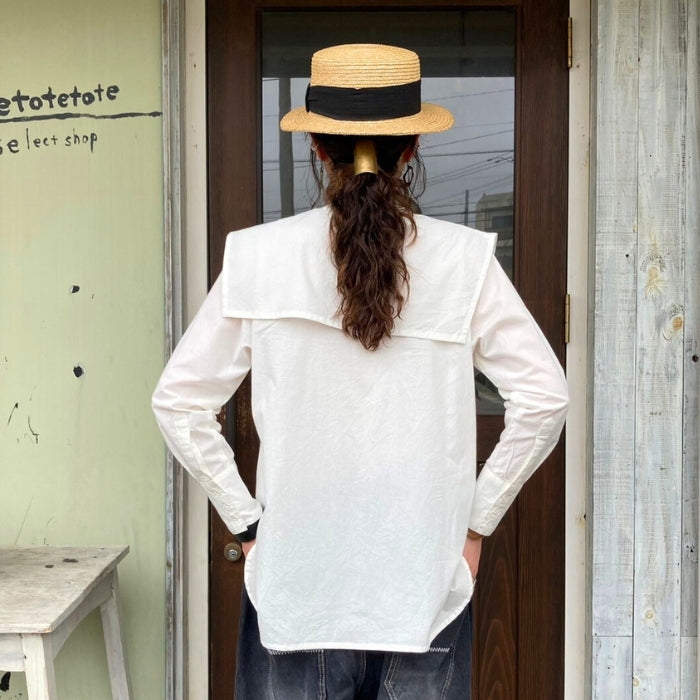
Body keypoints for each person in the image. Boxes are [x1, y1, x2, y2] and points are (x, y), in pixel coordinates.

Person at [152, 43, 568, 699]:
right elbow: (544, 399)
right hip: (424, 580)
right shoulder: (464, 260)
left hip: (298, 580)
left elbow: (179, 402)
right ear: (412, 149)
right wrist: (474, 523)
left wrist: (248, 523)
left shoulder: (259, 256)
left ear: (317, 148)